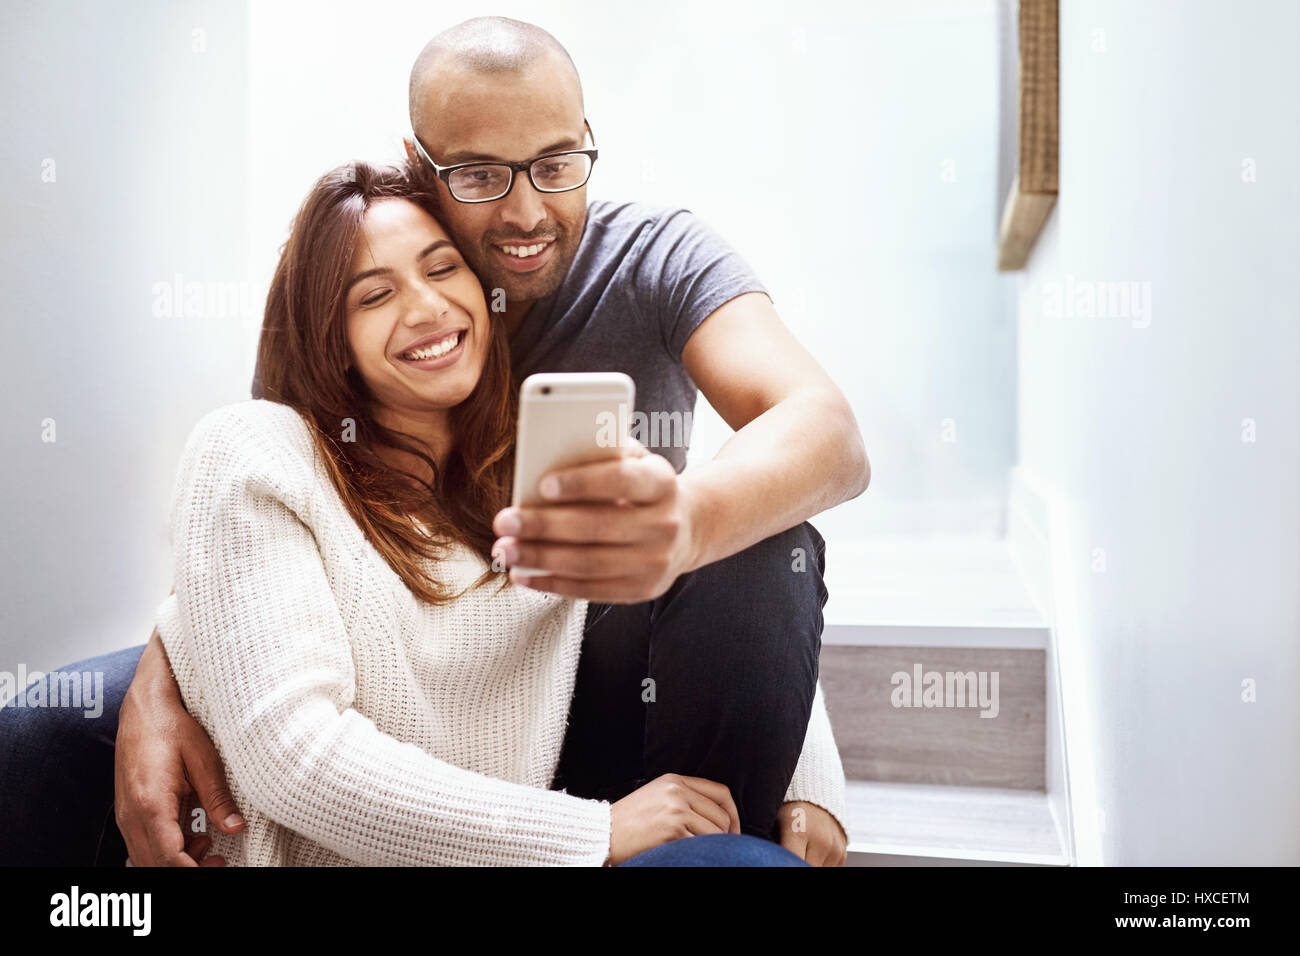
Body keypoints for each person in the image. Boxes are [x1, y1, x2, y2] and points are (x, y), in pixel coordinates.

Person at [0, 17, 867, 867]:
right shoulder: (343, 309)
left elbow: (815, 448)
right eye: (483, 175)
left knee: (769, 557)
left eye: (558, 164)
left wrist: (801, 749)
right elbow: (243, 556)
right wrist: (166, 679)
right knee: (50, 726)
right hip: (393, 687)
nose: (527, 211)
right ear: (423, 174)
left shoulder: (647, 271)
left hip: (576, 670)